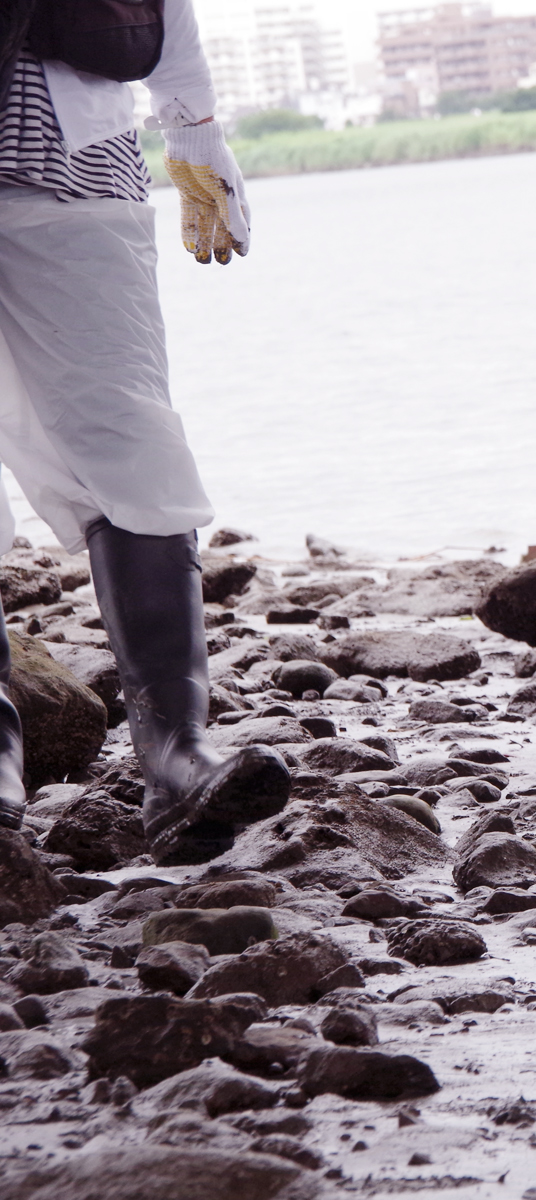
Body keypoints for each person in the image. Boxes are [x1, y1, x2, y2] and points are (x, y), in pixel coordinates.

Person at [0, 0, 287, 862]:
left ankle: (175, 755)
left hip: (75, 170)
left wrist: (194, 127)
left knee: (133, 439)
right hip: (73, 169)